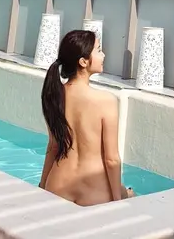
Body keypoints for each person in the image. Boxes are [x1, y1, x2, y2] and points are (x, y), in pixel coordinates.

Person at [38, 29, 134, 205]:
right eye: (99, 50)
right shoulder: (106, 101)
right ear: (83, 61)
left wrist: (42, 186)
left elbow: (53, 147)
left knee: (127, 192)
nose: (103, 55)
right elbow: (111, 159)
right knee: (131, 195)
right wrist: (118, 200)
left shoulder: (54, 97)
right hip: (94, 191)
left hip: (57, 187)